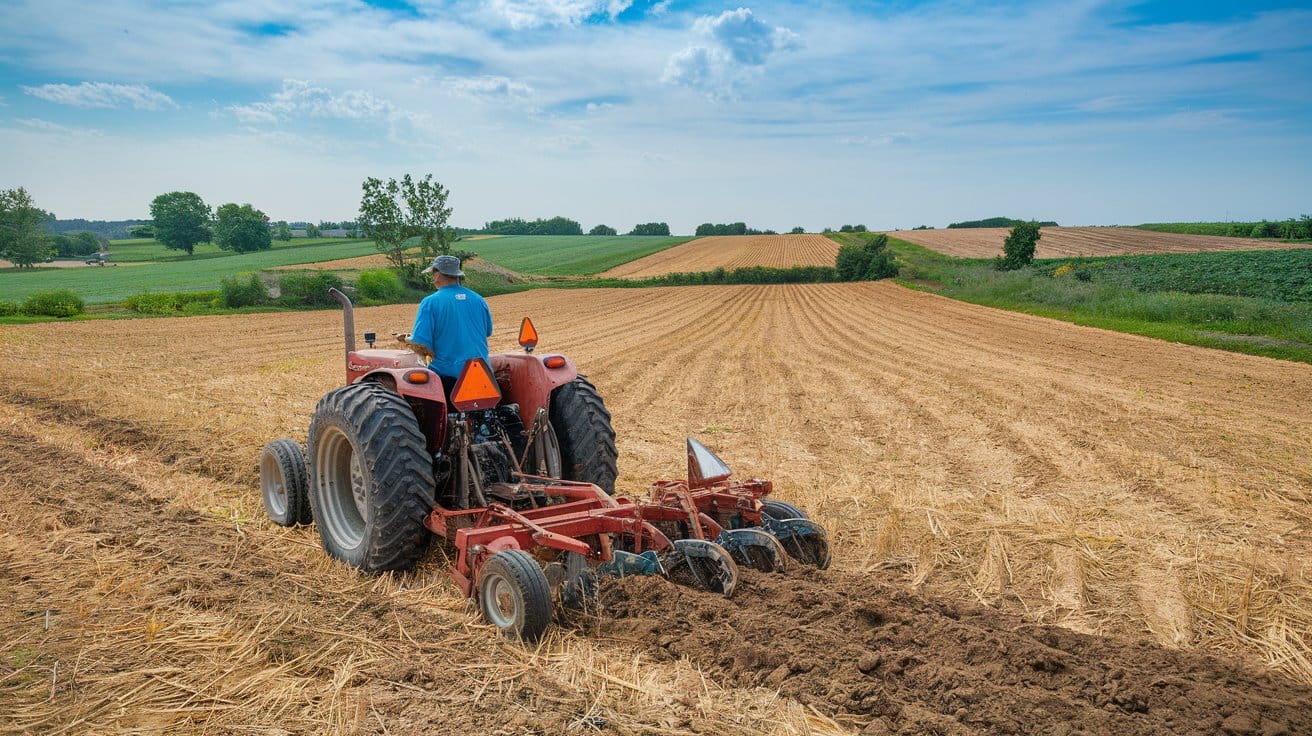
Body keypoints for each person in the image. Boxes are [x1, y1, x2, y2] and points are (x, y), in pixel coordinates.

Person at [409, 255, 492, 395]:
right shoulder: (479, 300)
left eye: (433, 273)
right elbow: (487, 331)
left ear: (438, 274)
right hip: (483, 373)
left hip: (448, 376)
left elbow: (420, 344)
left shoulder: (430, 302)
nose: (432, 278)